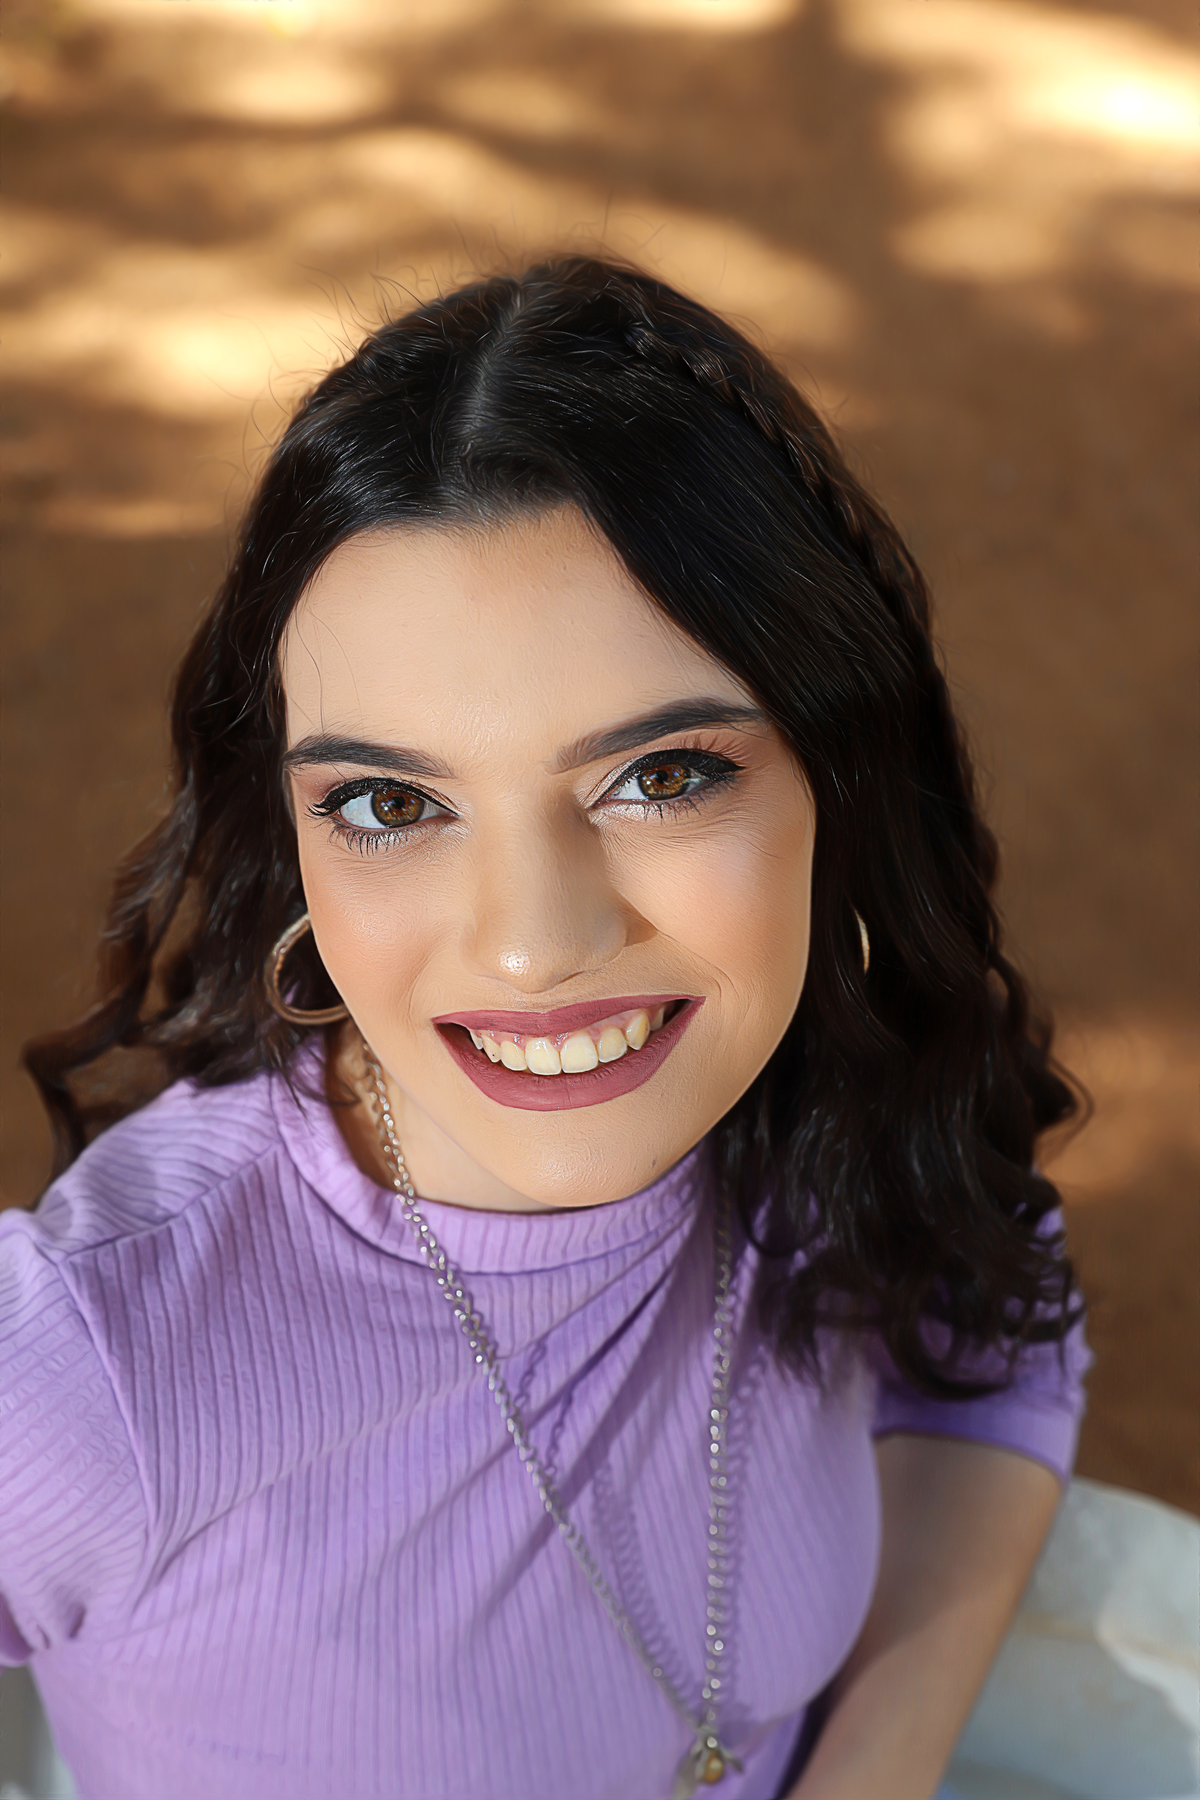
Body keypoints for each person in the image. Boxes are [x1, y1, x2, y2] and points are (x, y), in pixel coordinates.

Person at [0, 257, 1089, 1800]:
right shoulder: (85, 1368)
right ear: (293, 832)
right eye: (393, 804)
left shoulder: (827, 1105)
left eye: (660, 776)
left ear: (837, 781)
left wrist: (876, 1765)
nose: (531, 946)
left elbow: (998, 1339)